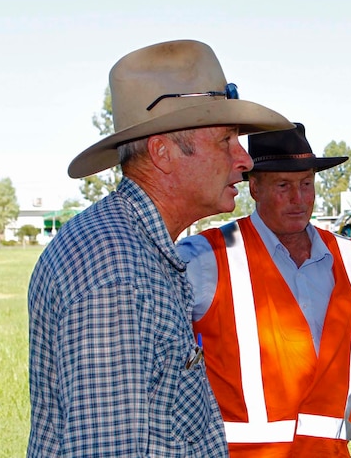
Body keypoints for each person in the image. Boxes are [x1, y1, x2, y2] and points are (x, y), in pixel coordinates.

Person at [27, 40, 295, 457]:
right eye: (226, 141)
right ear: (163, 152)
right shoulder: (117, 272)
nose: (244, 160)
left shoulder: (136, 250)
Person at [176, 124, 351, 457]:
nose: (298, 199)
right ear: (254, 187)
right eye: (283, 186)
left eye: (306, 184)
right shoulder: (206, 256)